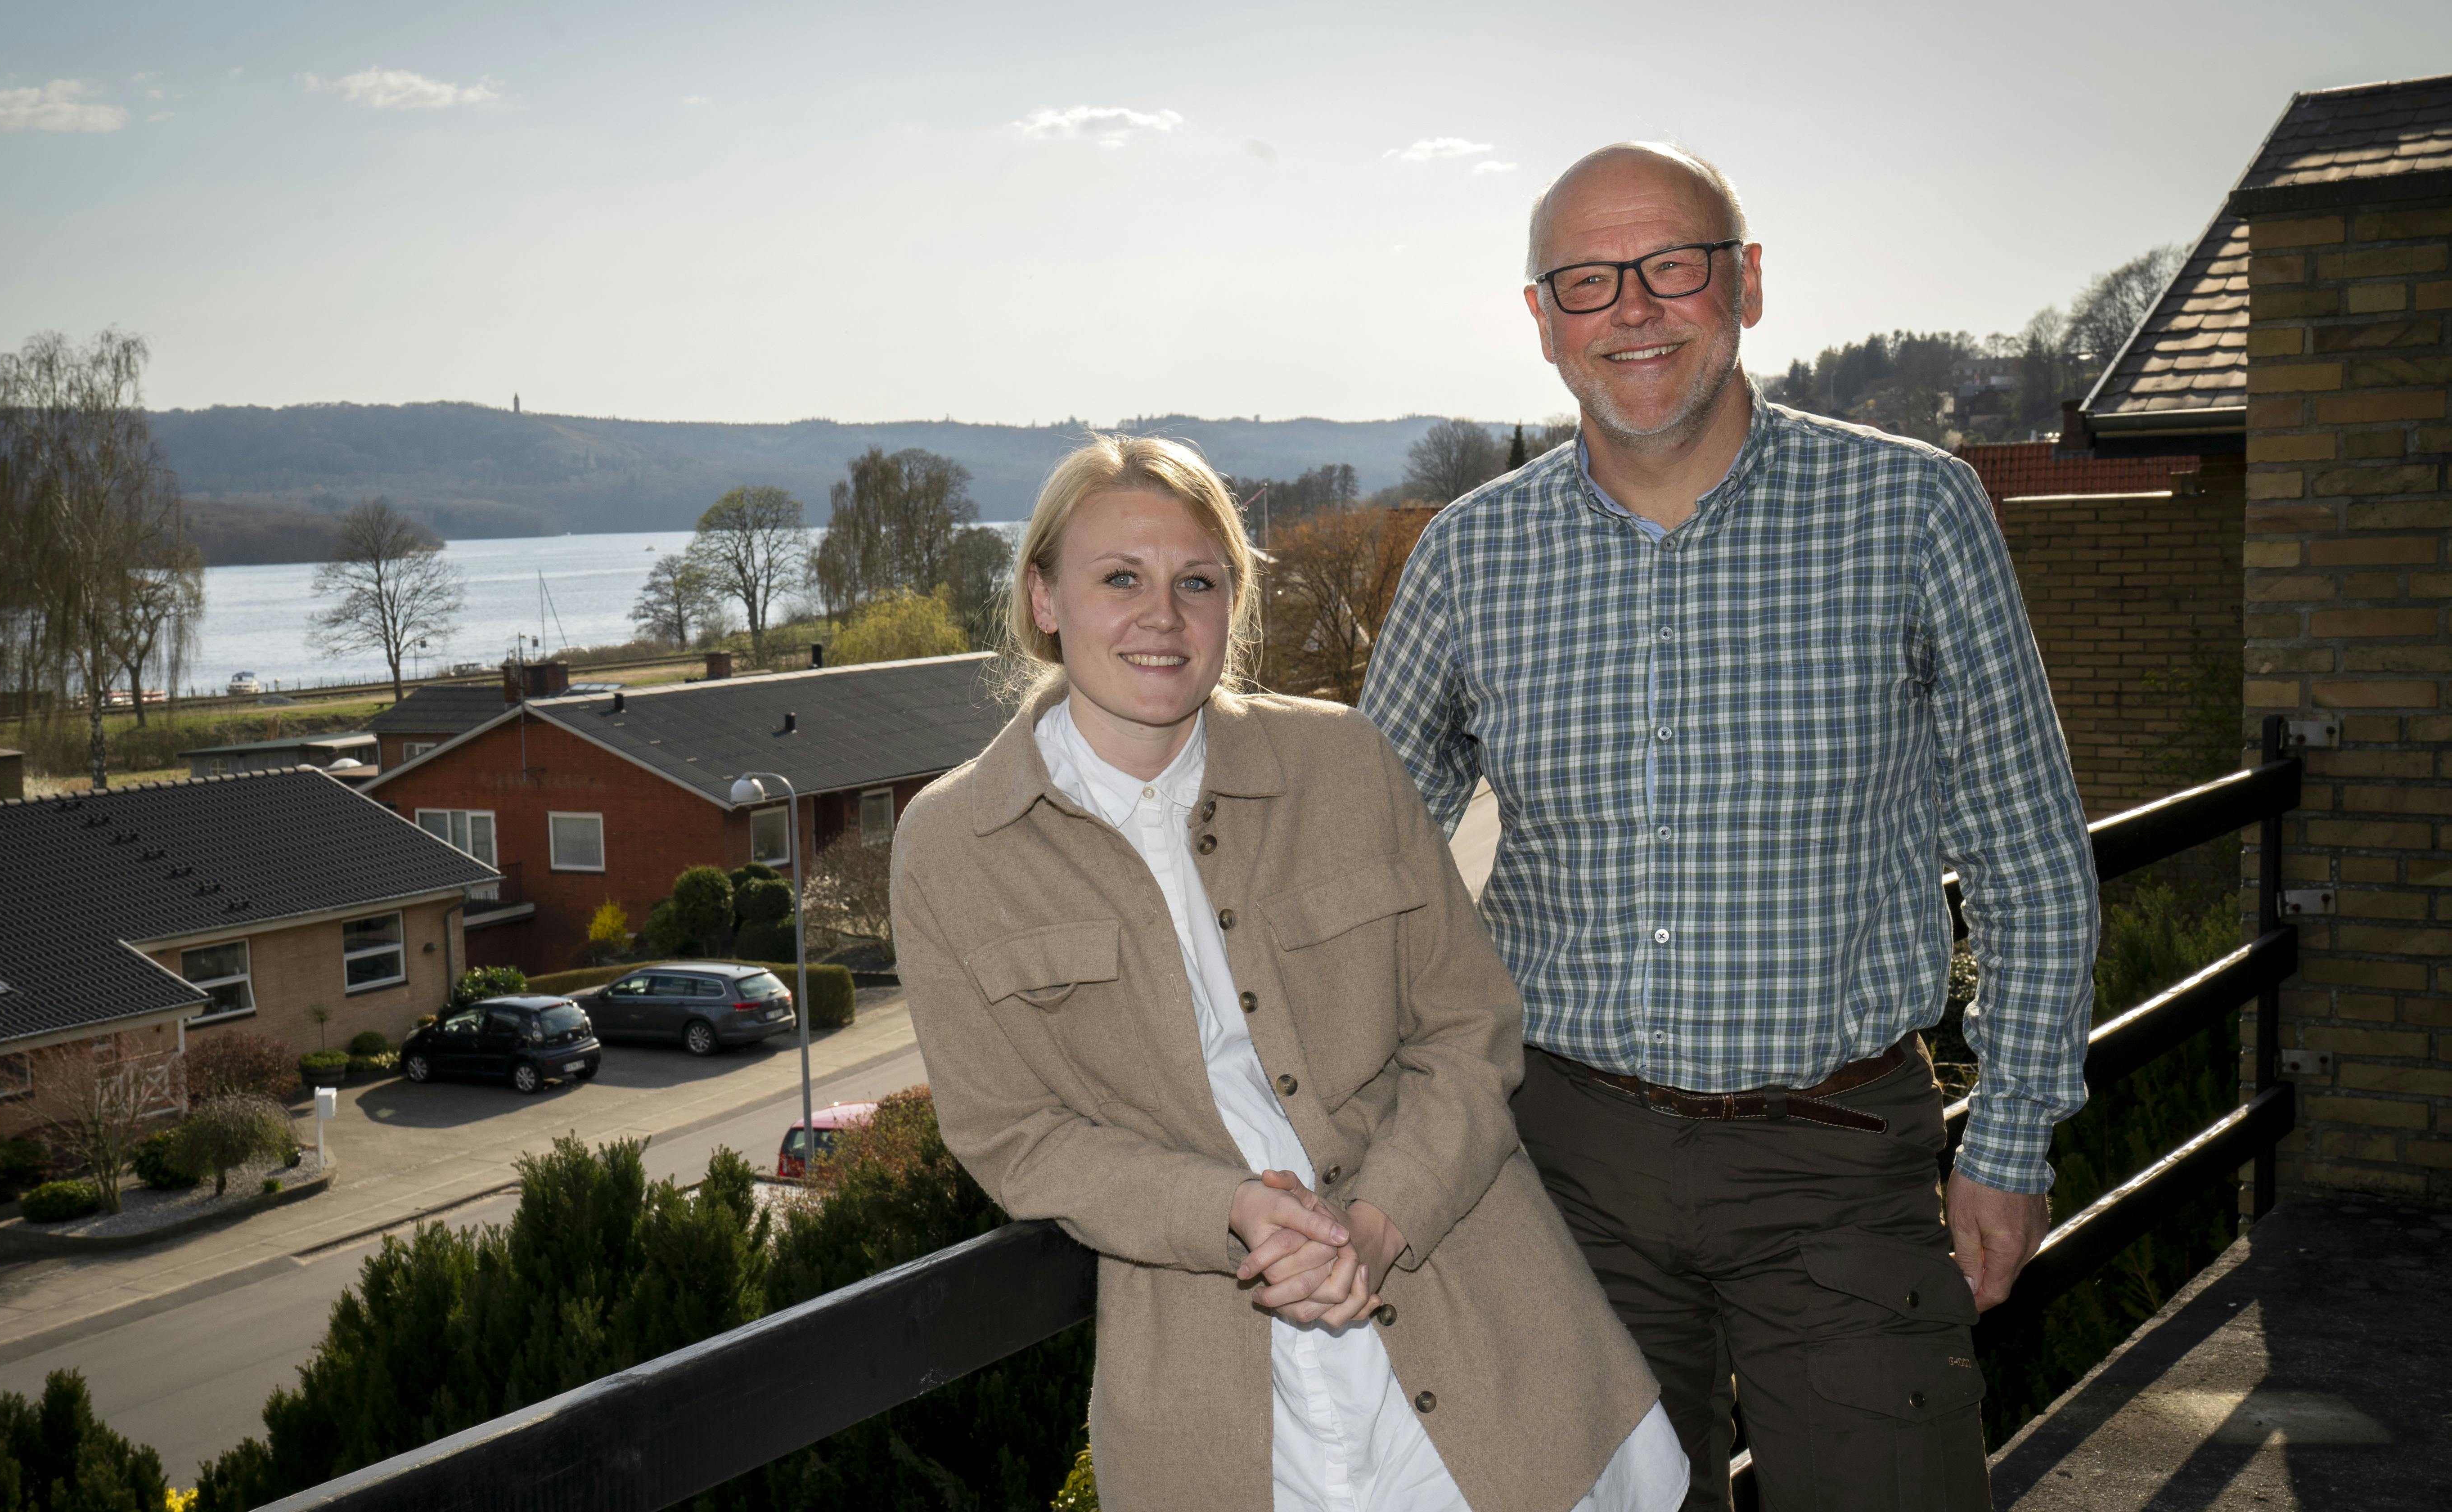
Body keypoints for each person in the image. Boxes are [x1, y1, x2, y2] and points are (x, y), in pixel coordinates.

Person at [1360, 142, 2097, 1512]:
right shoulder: (1470, 556)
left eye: (1672, 266)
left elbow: (2032, 861)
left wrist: (2010, 1142)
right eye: (1588, 281)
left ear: (1744, 282)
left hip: (1840, 1162)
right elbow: (1361, 864)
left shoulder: (1915, 510)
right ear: (1541, 320)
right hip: (1561, 1171)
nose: (1632, 309)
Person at [891, 434, 1688, 1512]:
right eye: (1119, 576)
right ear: (1043, 598)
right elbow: (1010, 1132)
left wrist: (1380, 1220)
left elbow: (1471, 1028)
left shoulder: (1344, 763)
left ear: (1234, 603)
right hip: (1212, 1408)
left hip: (1481, 1331)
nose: (1162, 615)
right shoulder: (951, 845)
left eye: (1199, 581)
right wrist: (1221, 1208)